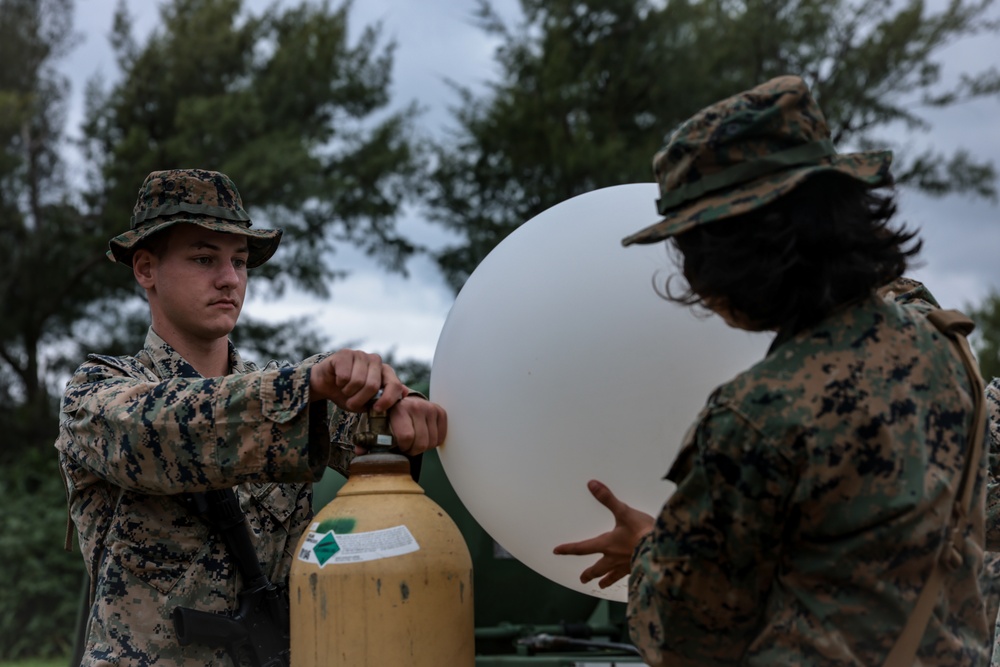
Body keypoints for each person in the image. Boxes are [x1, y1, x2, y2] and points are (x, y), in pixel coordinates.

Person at [554, 76, 995, 665]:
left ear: (741, 248)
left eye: (690, 243)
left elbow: (685, 637)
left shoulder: (761, 411)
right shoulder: (946, 348)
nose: (688, 273)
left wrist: (648, 552)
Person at [55, 168, 447, 666]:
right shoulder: (95, 394)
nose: (230, 279)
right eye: (204, 259)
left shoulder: (297, 396)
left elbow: (380, 438)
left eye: (240, 262)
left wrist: (399, 402)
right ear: (146, 269)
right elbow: (157, 431)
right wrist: (308, 385)